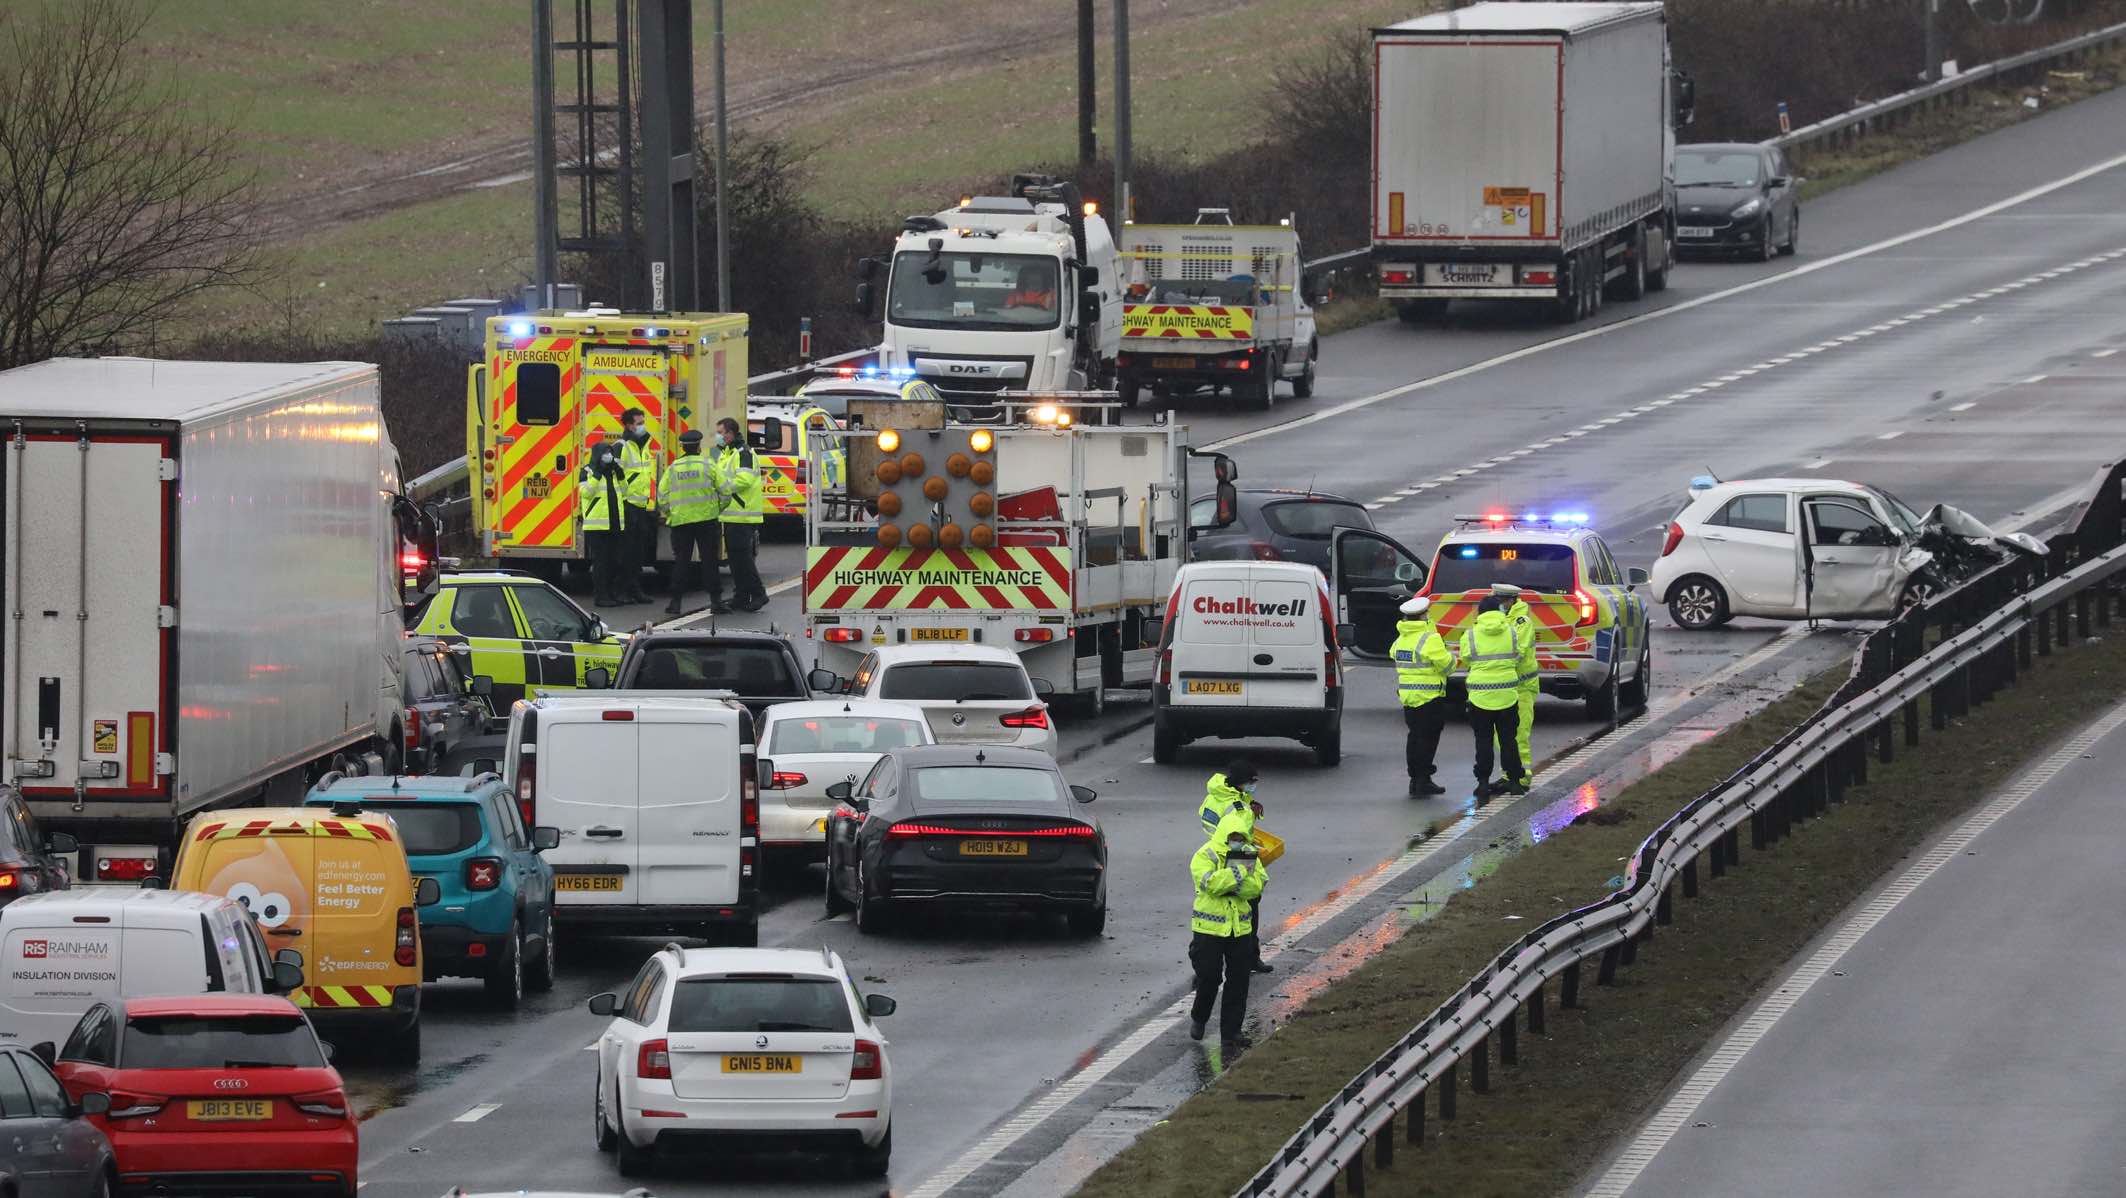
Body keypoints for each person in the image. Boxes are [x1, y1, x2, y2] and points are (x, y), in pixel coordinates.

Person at [1188, 810, 1267, 1049]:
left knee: (1239, 981)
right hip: (1209, 929)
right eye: (1234, 837)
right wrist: (1240, 873)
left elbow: (1258, 885)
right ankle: (1199, 1017)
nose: (1238, 841)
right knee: (1209, 977)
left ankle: (1231, 1033)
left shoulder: (1250, 854)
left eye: (1241, 837)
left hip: (1240, 929)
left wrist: (1234, 884)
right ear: (1224, 835)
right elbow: (1210, 884)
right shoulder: (1205, 855)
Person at [1197, 761, 1273, 974]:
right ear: (1241, 782)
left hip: (1228, 851)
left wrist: (1250, 803)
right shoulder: (1233, 805)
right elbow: (1233, 828)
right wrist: (1239, 843)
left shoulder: (1220, 795)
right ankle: (1245, 959)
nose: (1253, 785)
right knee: (1249, 906)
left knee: (1245, 906)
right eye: (1251, 782)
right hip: (1232, 856)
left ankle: (1238, 959)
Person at [1460, 594, 1529, 798]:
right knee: (1509, 740)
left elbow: (1466, 658)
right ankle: (1515, 782)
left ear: (1480, 612)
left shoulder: (1470, 634)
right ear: (1499, 611)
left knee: (1483, 740)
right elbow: (1519, 655)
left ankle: (1482, 783)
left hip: (1480, 696)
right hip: (1507, 694)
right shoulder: (1512, 631)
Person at [1391, 595, 1455, 798]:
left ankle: (1415, 780)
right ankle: (1423, 781)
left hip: (1409, 696)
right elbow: (1448, 666)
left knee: (1415, 737)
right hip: (1429, 696)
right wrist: (1449, 654)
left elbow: (1393, 654)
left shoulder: (1401, 639)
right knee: (1428, 738)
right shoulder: (1430, 639)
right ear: (1424, 616)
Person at [659, 429, 726, 616]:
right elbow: (725, 491)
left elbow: (661, 496)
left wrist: (670, 513)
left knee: (681, 562)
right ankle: (716, 601)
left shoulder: (673, 468)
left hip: (681, 522)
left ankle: (675, 603)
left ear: (683, 447)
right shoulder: (708, 465)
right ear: (698, 446)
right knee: (709, 561)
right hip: (707, 521)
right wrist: (718, 509)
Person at [713, 416, 769, 611]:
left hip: (743, 513)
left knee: (743, 559)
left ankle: (759, 594)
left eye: (720, 433)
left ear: (730, 433)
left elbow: (744, 480)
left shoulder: (743, 453)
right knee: (736, 560)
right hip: (731, 514)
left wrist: (722, 488)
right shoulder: (726, 453)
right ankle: (741, 596)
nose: (718, 436)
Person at [1493, 582, 1540, 779]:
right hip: (1503, 686)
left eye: (1501, 600)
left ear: (1511, 600)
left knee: (1519, 734)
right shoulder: (1498, 620)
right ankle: (1507, 775)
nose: (1498, 604)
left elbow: (1517, 653)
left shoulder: (1522, 622)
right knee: (1501, 736)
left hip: (1522, 687)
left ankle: (1522, 776)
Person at [615, 408, 658, 604]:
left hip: (641, 505)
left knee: (638, 551)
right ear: (629, 425)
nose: (642, 426)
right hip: (627, 505)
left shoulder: (643, 445)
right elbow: (615, 476)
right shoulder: (622, 446)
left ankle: (634, 588)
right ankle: (622, 590)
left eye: (643, 421)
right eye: (638, 423)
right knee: (625, 552)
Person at [580, 446, 628, 607]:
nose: (608, 456)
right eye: (605, 453)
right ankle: (601, 596)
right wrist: (598, 472)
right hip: (596, 526)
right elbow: (586, 493)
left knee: (615, 561)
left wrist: (620, 472)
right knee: (601, 563)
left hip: (614, 524)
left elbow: (625, 491)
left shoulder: (614, 472)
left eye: (610, 453)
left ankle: (612, 593)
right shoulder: (587, 471)